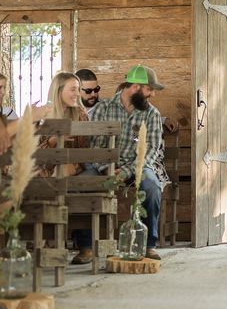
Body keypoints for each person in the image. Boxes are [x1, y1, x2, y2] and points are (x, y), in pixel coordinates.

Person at [75, 64, 167, 263]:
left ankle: (149, 245)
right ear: (135, 87)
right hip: (103, 167)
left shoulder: (152, 114)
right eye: (149, 89)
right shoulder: (102, 109)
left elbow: (150, 152)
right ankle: (86, 246)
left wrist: (125, 172)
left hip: (137, 167)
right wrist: (106, 169)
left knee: (152, 186)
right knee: (81, 184)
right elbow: (94, 147)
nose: (152, 94)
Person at [35, 72, 88, 177]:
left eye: (78, 89)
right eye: (73, 89)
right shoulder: (42, 115)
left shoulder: (80, 115)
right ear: (59, 91)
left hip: (70, 164)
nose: (78, 94)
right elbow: (35, 155)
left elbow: (84, 150)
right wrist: (53, 141)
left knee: (63, 168)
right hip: (45, 167)